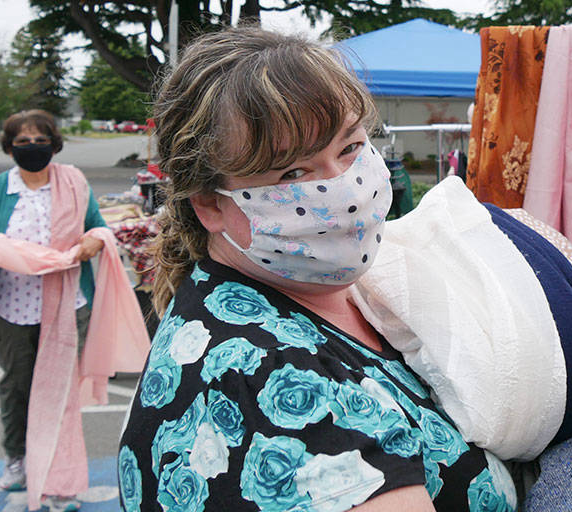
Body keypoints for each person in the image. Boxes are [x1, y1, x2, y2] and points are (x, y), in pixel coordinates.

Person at [117, 28, 517, 512]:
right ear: (210, 205)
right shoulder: (261, 377)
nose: (344, 190)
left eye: (349, 148)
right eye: (293, 173)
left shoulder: (355, 289)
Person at [0, 109, 108, 512]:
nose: (32, 148)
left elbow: (97, 225)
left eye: (40, 140)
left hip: (68, 305)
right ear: (9, 148)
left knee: (60, 394)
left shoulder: (74, 183)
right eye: (22, 142)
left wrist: (94, 241)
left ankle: (60, 480)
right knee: (17, 386)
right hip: (13, 308)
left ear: (53, 143)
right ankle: (17, 458)